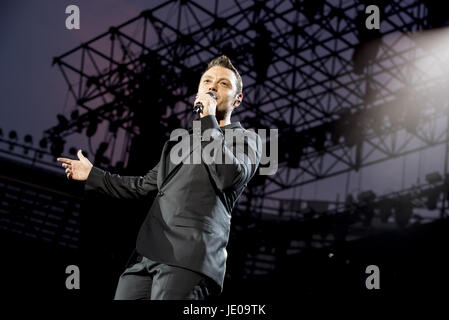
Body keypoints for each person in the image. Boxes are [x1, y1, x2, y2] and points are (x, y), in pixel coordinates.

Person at [57, 55, 262, 300]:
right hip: (146, 255)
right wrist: (93, 175)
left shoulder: (248, 139)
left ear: (238, 99)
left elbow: (228, 176)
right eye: (207, 81)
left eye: (223, 84)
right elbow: (142, 186)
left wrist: (208, 121)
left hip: (188, 259)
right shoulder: (179, 140)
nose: (212, 86)